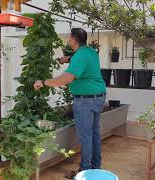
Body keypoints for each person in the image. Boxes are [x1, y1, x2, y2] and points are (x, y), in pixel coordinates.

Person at [34, 28, 106, 179]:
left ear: (73, 40)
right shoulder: (91, 52)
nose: (67, 40)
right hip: (98, 97)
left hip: (85, 100)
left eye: (68, 38)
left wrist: (44, 82)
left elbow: (67, 78)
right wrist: (67, 59)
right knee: (93, 133)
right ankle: (95, 168)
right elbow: (80, 59)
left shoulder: (80, 56)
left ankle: (84, 172)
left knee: (86, 136)